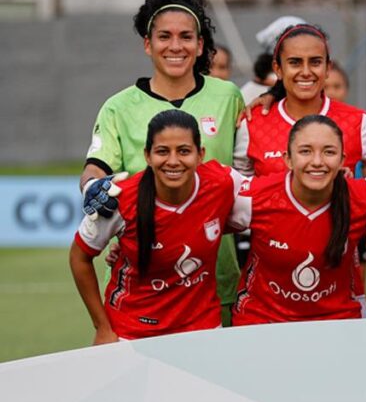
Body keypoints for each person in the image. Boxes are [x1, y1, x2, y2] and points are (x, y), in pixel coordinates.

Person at [79, 0, 245, 320]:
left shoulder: (228, 96)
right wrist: (93, 191)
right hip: (143, 286)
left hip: (217, 281)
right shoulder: (118, 107)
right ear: (148, 44)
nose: (175, 46)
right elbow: (96, 168)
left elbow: (248, 168)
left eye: (186, 37)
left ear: (200, 45)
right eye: (164, 36)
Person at [71, 110, 243, 343]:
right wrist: (102, 327)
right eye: (162, 151)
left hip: (203, 329)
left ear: (200, 154)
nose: (173, 161)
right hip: (131, 333)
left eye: (184, 151)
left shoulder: (223, 182)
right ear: (148, 156)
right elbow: (79, 257)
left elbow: (269, 212)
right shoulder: (118, 198)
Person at [231, 115, 366, 324]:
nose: (317, 162)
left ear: (342, 160)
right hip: (263, 322)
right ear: (288, 158)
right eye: (305, 151)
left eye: (329, 152)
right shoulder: (254, 198)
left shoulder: (364, 202)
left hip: (337, 323)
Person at [233, 23, 366, 178]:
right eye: (295, 63)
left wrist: (359, 193)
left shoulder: (358, 122)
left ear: (328, 68)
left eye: (315, 62)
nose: (306, 72)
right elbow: (239, 191)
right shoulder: (253, 122)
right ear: (278, 69)